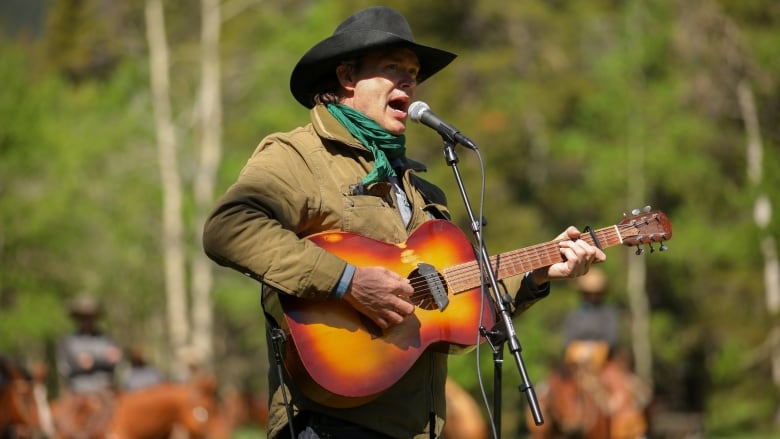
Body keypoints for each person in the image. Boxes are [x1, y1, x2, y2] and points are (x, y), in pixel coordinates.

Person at [202, 6, 606, 439]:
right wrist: (348, 281)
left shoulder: (425, 194)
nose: (409, 81)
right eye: (392, 68)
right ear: (346, 77)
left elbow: (462, 303)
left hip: (418, 428)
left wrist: (538, 272)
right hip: (329, 423)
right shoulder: (299, 155)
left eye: (413, 72)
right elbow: (228, 227)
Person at [54, 294, 123, 439]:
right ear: (77, 318)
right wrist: (102, 359)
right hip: (78, 391)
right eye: (83, 317)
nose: (87, 320)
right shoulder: (69, 341)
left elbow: (115, 360)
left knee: (122, 418)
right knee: (61, 425)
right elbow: (67, 367)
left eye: (90, 316)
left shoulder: (105, 339)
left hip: (105, 389)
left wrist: (92, 361)